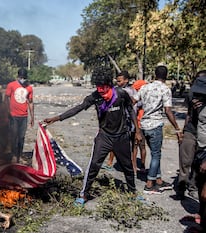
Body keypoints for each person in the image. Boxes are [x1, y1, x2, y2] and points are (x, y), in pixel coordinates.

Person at [43, 66, 141, 206]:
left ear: (109, 84)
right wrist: (57, 118)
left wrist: (137, 131)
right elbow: (77, 109)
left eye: (103, 87)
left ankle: (133, 193)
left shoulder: (121, 94)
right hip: (104, 137)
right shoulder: (95, 97)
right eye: (97, 87)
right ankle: (84, 195)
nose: (100, 90)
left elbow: (131, 110)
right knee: (94, 165)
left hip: (122, 136)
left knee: (128, 167)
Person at [133, 65, 182, 194]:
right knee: (156, 155)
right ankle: (150, 185)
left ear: (155, 74)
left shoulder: (145, 87)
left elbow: (133, 101)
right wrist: (177, 128)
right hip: (155, 125)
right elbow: (168, 110)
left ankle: (159, 181)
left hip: (143, 125)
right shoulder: (165, 89)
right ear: (166, 76)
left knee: (155, 154)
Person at [175, 72, 206, 200]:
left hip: (203, 134)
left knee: (199, 163)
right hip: (191, 130)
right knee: (185, 160)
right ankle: (181, 186)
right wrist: (182, 132)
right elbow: (188, 114)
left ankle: (193, 187)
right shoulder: (191, 95)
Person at [102, 71, 137, 172]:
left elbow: (134, 104)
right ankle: (113, 162)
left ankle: (130, 165)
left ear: (126, 80)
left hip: (127, 121)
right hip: (123, 120)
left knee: (128, 143)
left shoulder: (128, 91)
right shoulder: (124, 90)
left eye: (119, 81)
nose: (118, 83)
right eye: (117, 81)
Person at [5, 68, 34, 163]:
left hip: (24, 116)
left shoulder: (29, 88)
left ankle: (19, 155)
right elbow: (6, 98)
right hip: (13, 115)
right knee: (14, 136)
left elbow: (30, 102)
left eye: (24, 77)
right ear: (18, 76)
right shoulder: (11, 85)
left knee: (21, 137)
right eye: (21, 77)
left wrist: (32, 117)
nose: (23, 79)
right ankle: (13, 155)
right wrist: (7, 111)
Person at [189, 71, 206, 231]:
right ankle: (201, 213)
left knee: (205, 193)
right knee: (200, 184)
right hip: (201, 149)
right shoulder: (200, 106)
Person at [132, 80, 148, 173]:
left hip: (139, 124)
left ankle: (135, 165)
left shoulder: (139, 98)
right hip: (142, 123)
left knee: (136, 146)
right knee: (141, 146)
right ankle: (141, 165)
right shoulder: (146, 96)